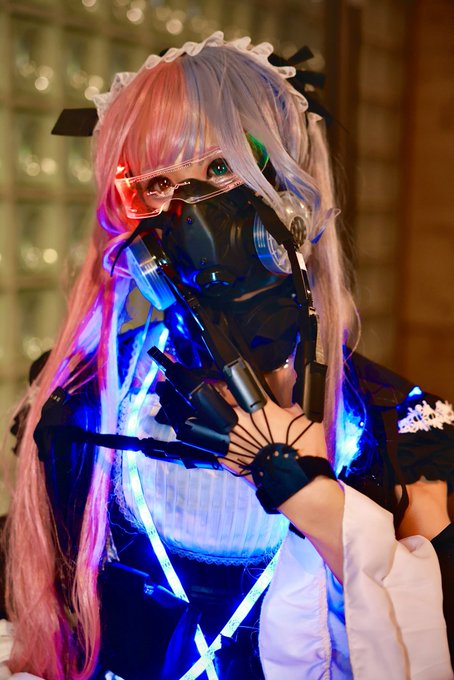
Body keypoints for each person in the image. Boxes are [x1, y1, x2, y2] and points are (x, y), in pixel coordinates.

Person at [2, 32, 453, 680]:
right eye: (161, 183)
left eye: (220, 168)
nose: (196, 215)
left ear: (292, 193)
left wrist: (316, 502)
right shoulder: (83, 408)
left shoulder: (402, 427)